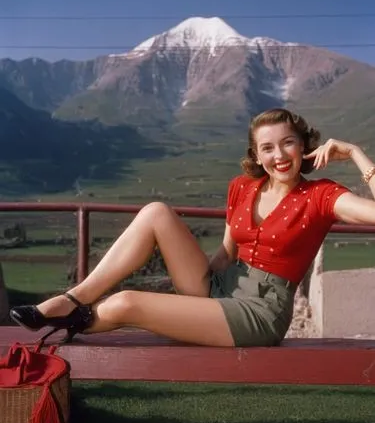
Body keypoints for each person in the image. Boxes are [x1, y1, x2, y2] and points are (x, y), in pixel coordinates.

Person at [9, 108, 375, 347]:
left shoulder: (322, 196)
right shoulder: (243, 187)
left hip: (259, 311)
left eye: (288, 143)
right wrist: (187, 298)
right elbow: (226, 253)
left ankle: (67, 321)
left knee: (125, 303)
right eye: (267, 148)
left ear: (305, 146)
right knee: (155, 212)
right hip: (220, 286)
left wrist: (356, 154)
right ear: (256, 154)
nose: (278, 156)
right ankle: (72, 299)